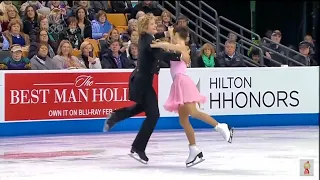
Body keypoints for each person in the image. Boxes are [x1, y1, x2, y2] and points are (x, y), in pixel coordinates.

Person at [102, 14, 181, 164]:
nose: (155, 26)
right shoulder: (147, 40)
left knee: (142, 108)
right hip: (142, 82)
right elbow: (161, 54)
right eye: (152, 24)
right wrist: (180, 54)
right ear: (145, 26)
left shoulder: (147, 37)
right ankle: (138, 147)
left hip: (141, 81)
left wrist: (165, 33)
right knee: (153, 115)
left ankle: (117, 117)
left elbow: (156, 37)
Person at [152, 25, 234, 167]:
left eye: (174, 35)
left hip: (182, 82)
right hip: (178, 82)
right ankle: (193, 149)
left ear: (178, 35)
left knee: (194, 112)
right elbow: (171, 44)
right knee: (183, 120)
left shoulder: (182, 46)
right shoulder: (178, 45)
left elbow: (168, 44)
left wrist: (156, 44)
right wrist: (171, 34)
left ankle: (221, 126)